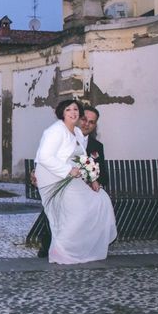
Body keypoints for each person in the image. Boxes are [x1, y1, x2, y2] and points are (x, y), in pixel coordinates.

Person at [33, 99, 117, 264]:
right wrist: (67, 171)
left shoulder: (77, 132)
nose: (73, 112)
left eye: (76, 110)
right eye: (68, 110)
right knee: (78, 211)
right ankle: (60, 249)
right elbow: (44, 157)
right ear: (62, 113)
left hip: (72, 175)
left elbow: (82, 158)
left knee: (101, 199)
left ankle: (82, 246)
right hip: (53, 175)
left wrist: (93, 179)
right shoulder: (55, 131)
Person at [79, 105, 107, 189]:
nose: (87, 124)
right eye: (84, 119)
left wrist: (95, 181)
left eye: (91, 122)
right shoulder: (66, 140)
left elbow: (104, 176)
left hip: (90, 189)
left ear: (95, 126)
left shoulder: (98, 146)